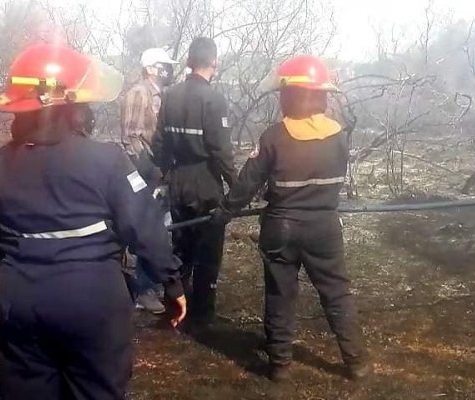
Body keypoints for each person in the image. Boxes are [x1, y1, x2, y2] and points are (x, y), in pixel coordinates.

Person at [0, 43, 186, 400]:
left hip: (20, 302)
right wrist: (173, 282)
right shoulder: (107, 160)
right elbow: (145, 228)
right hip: (93, 301)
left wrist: (17, 272)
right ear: (71, 105)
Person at [213, 55, 369, 382]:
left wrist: (225, 212)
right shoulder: (339, 135)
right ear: (321, 95)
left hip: (281, 227)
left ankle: (280, 365)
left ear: (291, 95)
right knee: (337, 293)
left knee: (280, 294)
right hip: (325, 228)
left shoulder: (274, 136)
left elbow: (247, 183)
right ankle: (356, 363)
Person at [152, 37, 236, 327]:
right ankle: (202, 314)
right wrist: (239, 187)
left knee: (180, 246)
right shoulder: (214, 99)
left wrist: (161, 177)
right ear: (214, 62)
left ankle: (175, 305)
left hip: (178, 180)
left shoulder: (170, 94)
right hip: (206, 182)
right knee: (208, 250)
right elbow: (221, 152)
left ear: (189, 61)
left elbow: (159, 143)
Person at [121, 47, 179, 314]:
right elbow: (131, 137)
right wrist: (148, 170)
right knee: (148, 227)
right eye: (163, 66)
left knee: (160, 228)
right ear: (152, 68)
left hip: (158, 170)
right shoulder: (138, 93)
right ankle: (143, 290)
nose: (168, 71)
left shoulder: (160, 95)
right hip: (146, 172)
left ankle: (151, 286)